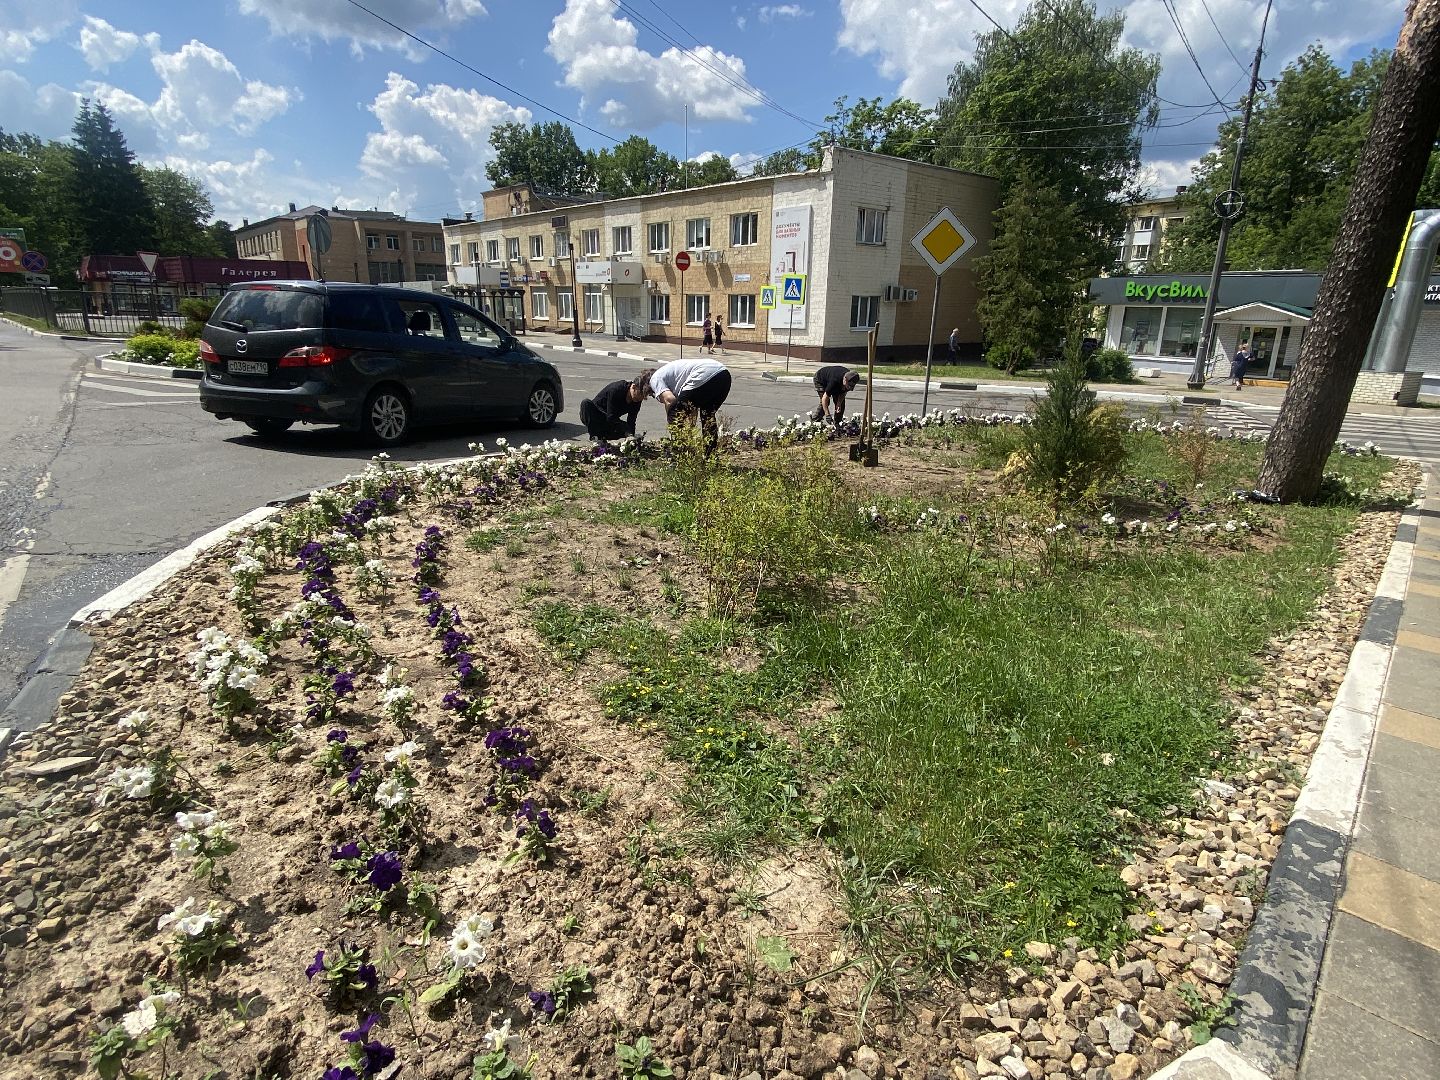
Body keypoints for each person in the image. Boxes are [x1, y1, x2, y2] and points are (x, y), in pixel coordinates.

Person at [644, 357, 732, 452]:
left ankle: (677, 452)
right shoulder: (672, 376)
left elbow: (669, 400)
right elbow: (691, 406)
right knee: (707, 416)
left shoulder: (654, 379)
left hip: (705, 374)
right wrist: (690, 429)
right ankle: (710, 454)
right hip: (723, 375)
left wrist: (673, 425)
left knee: (674, 410)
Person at [579, 372, 649, 441]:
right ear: (633, 387)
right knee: (585, 403)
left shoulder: (637, 400)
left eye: (644, 396)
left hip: (609, 421)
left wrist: (631, 436)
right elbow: (611, 416)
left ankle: (602, 438)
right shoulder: (617, 389)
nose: (641, 398)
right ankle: (595, 437)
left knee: (625, 430)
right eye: (640, 394)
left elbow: (631, 420)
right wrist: (626, 430)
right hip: (596, 415)